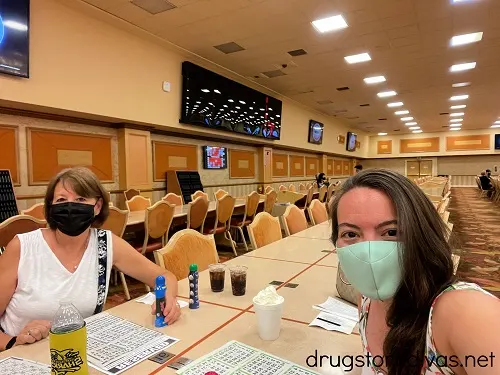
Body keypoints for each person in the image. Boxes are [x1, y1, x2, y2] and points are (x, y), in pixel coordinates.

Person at [329, 169, 499, 375]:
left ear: (421, 234)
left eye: (391, 232)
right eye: (351, 234)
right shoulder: (366, 300)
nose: (369, 250)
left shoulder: (468, 313)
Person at [0, 167, 181, 351]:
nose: (71, 206)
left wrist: (169, 299)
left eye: (80, 199)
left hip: (79, 354)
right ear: (51, 207)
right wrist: (13, 341)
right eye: (61, 200)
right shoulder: (23, 247)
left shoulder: (106, 243)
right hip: (21, 356)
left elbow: (164, 276)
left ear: (97, 206)